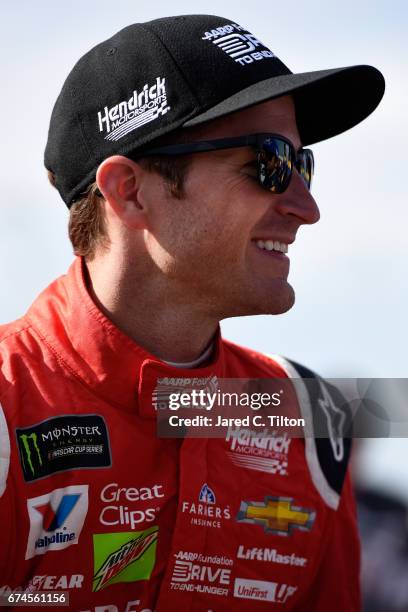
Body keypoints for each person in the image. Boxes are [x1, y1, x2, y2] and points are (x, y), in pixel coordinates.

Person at [0, 14, 384, 611]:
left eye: (303, 166)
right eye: (269, 161)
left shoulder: (312, 423)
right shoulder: (8, 403)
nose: (306, 207)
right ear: (130, 190)